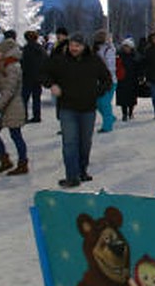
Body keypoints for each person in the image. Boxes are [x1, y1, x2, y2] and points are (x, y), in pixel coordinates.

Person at [42, 33, 112, 188]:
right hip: (67, 108)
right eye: (72, 45)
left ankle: (81, 170)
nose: (74, 48)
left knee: (85, 142)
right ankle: (71, 176)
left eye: (78, 45)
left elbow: (107, 79)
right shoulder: (60, 60)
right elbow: (43, 73)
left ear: (84, 46)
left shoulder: (94, 61)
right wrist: (51, 84)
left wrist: (96, 92)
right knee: (70, 142)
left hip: (88, 108)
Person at [0, 38, 29, 176]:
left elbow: (9, 90)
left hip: (12, 106)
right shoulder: (5, 64)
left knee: (15, 135)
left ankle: (22, 163)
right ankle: (6, 160)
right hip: (6, 106)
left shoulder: (12, 66)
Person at [92, 30, 118, 132]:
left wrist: (101, 65)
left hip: (110, 80)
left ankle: (107, 125)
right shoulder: (95, 50)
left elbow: (111, 66)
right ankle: (110, 118)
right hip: (99, 80)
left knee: (104, 102)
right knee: (98, 102)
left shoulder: (109, 50)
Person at [21, 30, 45, 122]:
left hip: (27, 77)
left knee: (24, 98)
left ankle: (24, 116)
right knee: (36, 98)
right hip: (38, 77)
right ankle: (37, 115)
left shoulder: (26, 49)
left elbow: (23, 63)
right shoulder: (40, 48)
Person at [115, 38, 140, 121]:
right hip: (122, 79)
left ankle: (131, 112)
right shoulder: (119, 56)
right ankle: (124, 114)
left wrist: (140, 76)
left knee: (132, 98)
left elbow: (138, 67)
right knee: (123, 98)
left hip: (133, 79)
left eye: (128, 47)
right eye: (125, 47)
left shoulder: (135, 56)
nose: (126, 48)